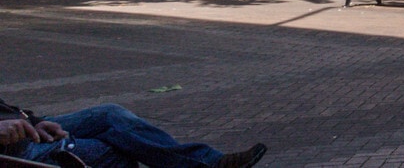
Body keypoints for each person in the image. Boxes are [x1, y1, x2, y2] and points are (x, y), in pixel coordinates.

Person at [0, 96, 265, 168]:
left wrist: (33, 120)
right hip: (11, 147)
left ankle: (209, 161)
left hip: (25, 129)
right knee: (112, 150)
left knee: (110, 115)